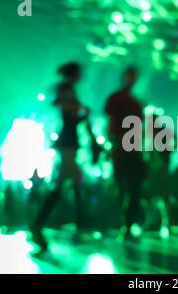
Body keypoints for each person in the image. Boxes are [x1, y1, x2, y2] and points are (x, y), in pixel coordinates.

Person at [31, 62, 90, 252]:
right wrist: (84, 115)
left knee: (72, 180)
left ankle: (76, 224)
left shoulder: (66, 89)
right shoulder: (66, 89)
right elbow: (71, 117)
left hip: (68, 139)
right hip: (68, 140)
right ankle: (39, 225)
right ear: (73, 73)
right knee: (69, 180)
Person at [104, 65, 146, 239]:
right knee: (122, 186)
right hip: (121, 147)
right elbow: (111, 124)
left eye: (134, 77)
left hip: (132, 148)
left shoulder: (135, 102)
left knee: (133, 188)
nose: (132, 80)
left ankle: (127, 225)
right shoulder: (116, 98)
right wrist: (113, 145)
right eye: (130, 76)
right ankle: (123, 223)